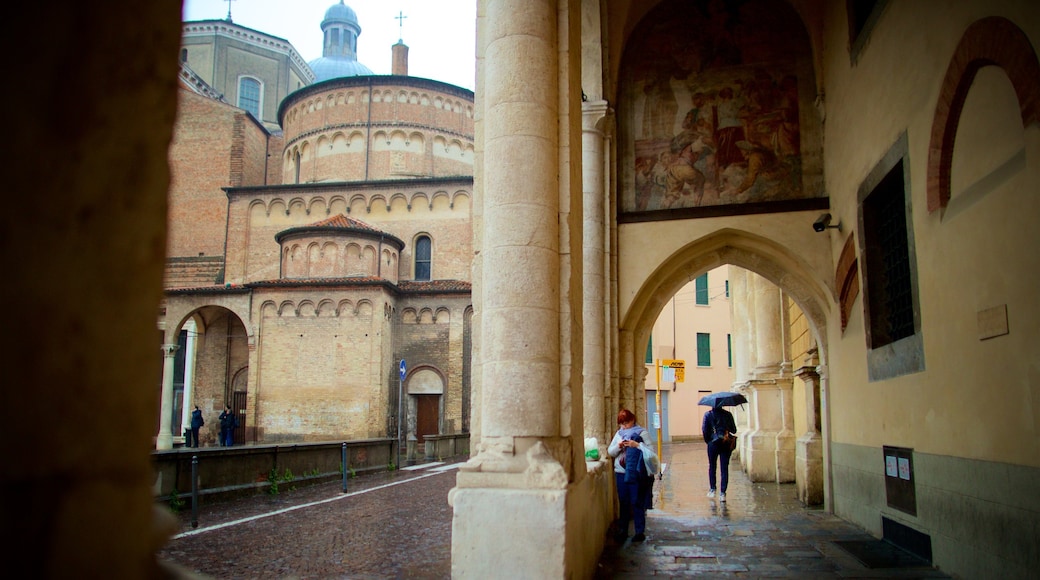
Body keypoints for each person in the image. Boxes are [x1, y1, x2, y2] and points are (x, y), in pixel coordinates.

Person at [608, 408, 658, 543]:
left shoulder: (642, 433)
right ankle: (623, 530)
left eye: (627, 423)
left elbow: (651, 452)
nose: (624, 426)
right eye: (622, 424)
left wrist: (637, 445)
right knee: (623, 502)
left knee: (637, 501)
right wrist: (619, 446)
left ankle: (639, 531)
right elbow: (610, 452)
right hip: (621, 472)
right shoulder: (619, 434)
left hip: (636, 473)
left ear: (633, 420)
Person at [702, 402, 738, 501]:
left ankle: (712, 489)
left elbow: (705, 431)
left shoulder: (708, 415)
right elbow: (734, 430)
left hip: (713, 444)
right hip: (726, 444)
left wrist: (709, 441)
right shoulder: (728, 415)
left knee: (712, 466)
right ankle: (723, 493)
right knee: (724, 468)